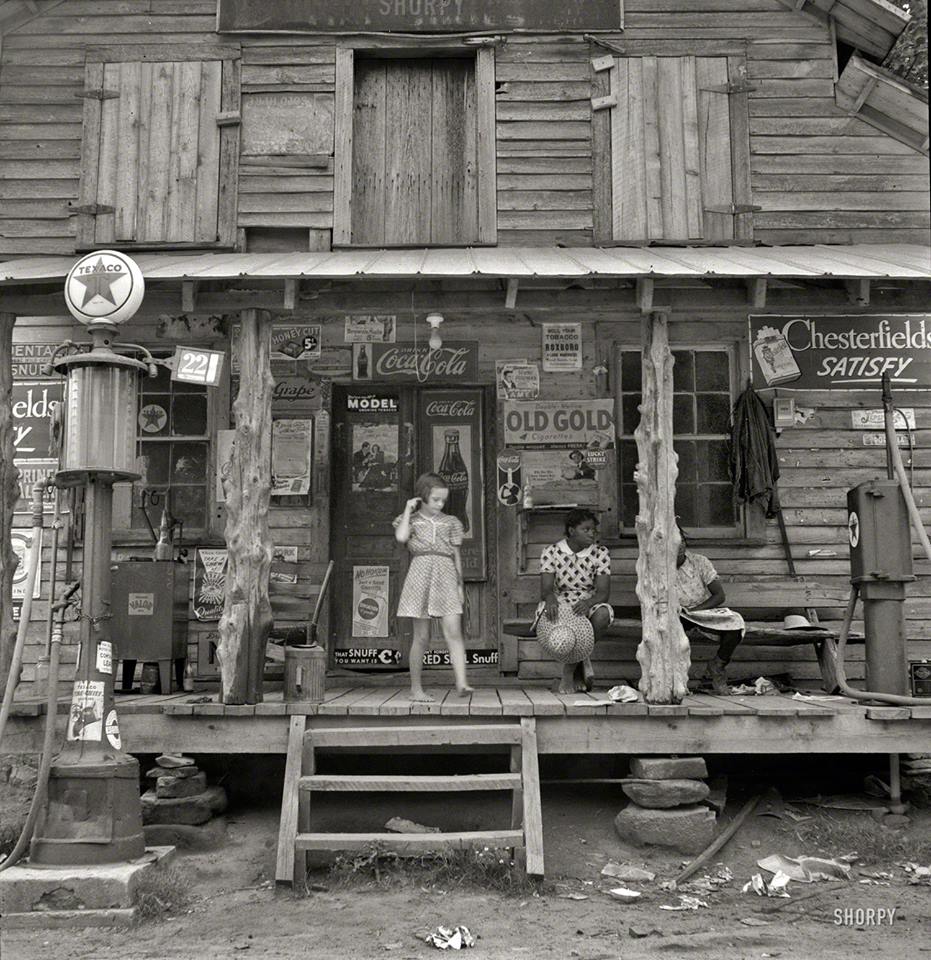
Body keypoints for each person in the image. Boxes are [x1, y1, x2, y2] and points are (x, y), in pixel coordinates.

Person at [394, 472, 473, 702]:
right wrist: (408, 510)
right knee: (421, 636)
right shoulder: (410, 521)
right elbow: (401, 538)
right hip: (420, 574)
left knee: (454, 631)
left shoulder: (451, 522)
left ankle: (461, 682)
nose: (440, 504)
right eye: (436, 499)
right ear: (422, 497)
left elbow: (456, 555)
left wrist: (460, 585)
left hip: (446, 574)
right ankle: (416, 689)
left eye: (443, 500)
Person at [538, 509, 613, 693]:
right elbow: (546, 589)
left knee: (603, 615)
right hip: (559, 601)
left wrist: (588, 603)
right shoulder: (552, 552)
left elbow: (603, 593)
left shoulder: (600, 553)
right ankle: (582, 661)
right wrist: (550, 599)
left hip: (588, 601)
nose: (591, 533)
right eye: (585, 529)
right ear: (571, 531)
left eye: (593, 529)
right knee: (559, 618)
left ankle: (568, 671)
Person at [675, 529, 745, 695]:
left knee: (735, 624)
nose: (680, 546)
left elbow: (719, 595)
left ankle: (717, 666)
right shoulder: (658, 567)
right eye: (675, 542)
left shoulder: (699, 562)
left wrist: (696, 611)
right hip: (676, 614)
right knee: (672, 633)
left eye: (682, 541)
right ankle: (677, 680)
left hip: (702, 611)